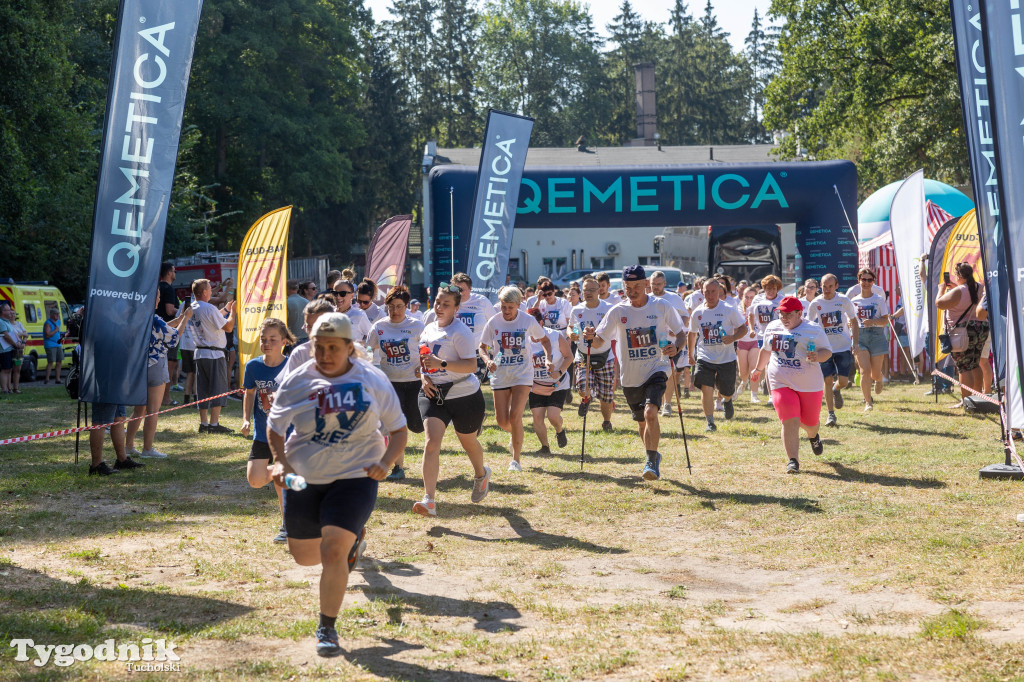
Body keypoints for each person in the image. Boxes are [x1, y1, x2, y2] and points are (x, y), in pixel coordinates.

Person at [266, 313, 408, 657]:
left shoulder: (372, 379)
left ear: (349, 347)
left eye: (334, 347)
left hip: (355, 477)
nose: (326, 354)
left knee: (332, 552)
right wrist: (281, 463)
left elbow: (399, 430)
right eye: (319, 347)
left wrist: (385, 464)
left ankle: (326, 628)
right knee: (304, 557)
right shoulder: (298, 380)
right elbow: (275, 427)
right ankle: (353, 540)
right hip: (304, 477)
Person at [584, 265, 685, 480]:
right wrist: (591, 336)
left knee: (651, 413)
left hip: (657, 367)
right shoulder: (618, 311)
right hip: (630, 377)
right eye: (628, 287)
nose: (632, 291)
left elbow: (681, 333)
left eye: (636, 286)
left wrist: (677, 348)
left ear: (646, 284)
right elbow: (601, 339)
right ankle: (653, 455)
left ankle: (650, 460)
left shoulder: (662, 306)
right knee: (641, 422)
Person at [415, 285, 492, 516]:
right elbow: (423, 358)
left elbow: (470, 366)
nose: (439, 307)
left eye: (446, 304)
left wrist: (442, 364)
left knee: (468, 442)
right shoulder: (428, 328)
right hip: (433, 393)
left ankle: (481, 474)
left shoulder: (461, 332)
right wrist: (423, 377)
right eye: (438, 302)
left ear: (457, 308)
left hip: (464, 394)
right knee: (431, 443)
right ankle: (429, 500)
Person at [749, 296, 832, 474]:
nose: (784, 318)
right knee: (790, 420)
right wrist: (758, 369)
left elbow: (827, 351)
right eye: (781, 314)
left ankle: (813, 436)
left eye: (788, 315)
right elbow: (766, 350)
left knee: (810, 423)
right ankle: (793, 461)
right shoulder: (773, 327)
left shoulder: (813, 329)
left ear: (799, 313)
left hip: (809, 384)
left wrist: (817, 357)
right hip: (780, 381)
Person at [479, 287, 551, 469]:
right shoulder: (494, 322)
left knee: (515, 415)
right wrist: (488, 361)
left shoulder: (527, 320)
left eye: (510, 307)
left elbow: (545, 340)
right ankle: (516, 434)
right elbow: (482, 346)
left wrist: (548, 358)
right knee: (503, 421)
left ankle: (516, 459)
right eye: (503, 307)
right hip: (500, 374)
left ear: (519, 305)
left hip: (522, 374)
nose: (506, 311)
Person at [242, 317, 296, 543]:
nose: (267, 343)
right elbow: (250, 392)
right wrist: (246, 419)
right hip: (263, 433)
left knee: (283, 482)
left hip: (289, 434)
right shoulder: (254, 366)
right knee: (255, 479)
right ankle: (281, 471)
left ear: (283, 341)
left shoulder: (292, 364)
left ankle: (288, 526)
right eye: (263, 339)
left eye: (273, 339)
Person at [367, 285, 425, 480]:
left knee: (417, 425)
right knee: (395, 426)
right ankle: (398, 468)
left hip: (414, 381)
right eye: (391, 307)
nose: (395, 311)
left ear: (407, 306)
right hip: (391, 383)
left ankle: (450, 418)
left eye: (399, 306)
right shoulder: (380, 326)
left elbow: (428, 350)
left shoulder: (416, 325)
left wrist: (423, 367)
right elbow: (368, 350)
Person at [126, 301, 193, 459]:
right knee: (153, 411)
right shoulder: (154, 319)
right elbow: (174, 338)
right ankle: (147, 449)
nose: (158, 300)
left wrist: (179, 318)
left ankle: (128, 446)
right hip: (155, 365)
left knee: (139, 410)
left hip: (139, 367)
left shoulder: (137, 317)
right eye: (157, 297)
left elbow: (161, 328)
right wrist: (186, 319)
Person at [687, 278, 749, 432]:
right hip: (704, 356)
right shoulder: (698, 312)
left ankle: (727, 400)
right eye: (706, 292)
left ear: (719, 292)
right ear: (702, 292)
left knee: (726, 390)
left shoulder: (729, 309)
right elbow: (692, 334)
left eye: (713, 291)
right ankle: (710, 422)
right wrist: (690, 354)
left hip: (726, 357)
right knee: (706, 388)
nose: (710, 295)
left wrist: (733, 338)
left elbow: (743, 328)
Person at [806, 274, 859, 426]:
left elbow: (854, 321)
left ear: (836, 286)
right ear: (820, 287)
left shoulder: (843, 300)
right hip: (824, 347)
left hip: (842, 346)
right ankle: (830, 414)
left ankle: (837, 389)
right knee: (827, 379)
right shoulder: (815, 303)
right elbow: (809, 327)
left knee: (843, 381)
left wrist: (855, 343)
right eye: (824, 286)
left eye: (830, 286)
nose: (827, 289)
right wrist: (811, 349)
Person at [936, 262, 990, 408]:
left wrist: (941, 290)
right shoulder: (978, 287)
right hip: (980, 328)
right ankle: (977, 397)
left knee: (963, 367)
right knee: (975, 363)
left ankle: (967, 402)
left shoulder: (959, 290)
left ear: (959, 275)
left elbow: (939, 304)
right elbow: (967, 296)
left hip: (962, 332)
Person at [569, 277, 616, 432]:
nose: (588, 293)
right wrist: (573, 335)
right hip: (583, 355)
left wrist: (595, 338)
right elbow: (572, 327)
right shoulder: (577, 309)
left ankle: (606, 422)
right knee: (582, 388)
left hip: (605, 356)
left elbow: (608, 335)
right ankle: (587, 397)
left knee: (606, 395)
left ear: (599, 291)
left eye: (591, 290)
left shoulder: (608, 308)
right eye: (585, 290)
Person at [189, 279, 235, 433]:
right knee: (218, 388)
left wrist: (226, 310)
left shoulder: (192, 307)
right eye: (210, 288)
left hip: (200, 353)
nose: (212, 290)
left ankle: (204, 423)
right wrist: (233, 313)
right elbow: (228, 327)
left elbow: (211, 319)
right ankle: (214, 425)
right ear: (204, 292)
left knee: (202, 389)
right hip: (214, 354)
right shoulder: (209, 308)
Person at [527, 307, 572, 456]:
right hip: (536, 385)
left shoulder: (554, 336)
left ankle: (559, 430)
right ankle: (545, 447)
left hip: (557, 383)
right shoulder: (523, 338)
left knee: (553, 416)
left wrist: (558, 371)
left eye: (533, 324)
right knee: (537, 418)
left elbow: (569, 357)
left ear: (540, 323)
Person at [650, 270, 690, 414]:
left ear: (664, 284)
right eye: (653, 284)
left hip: (671, 341)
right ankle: (655, 402)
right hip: (653, 342)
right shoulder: (647, 299)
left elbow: (685, 316)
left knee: (669, 372)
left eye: (658, 284)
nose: (655, 287)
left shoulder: (674, 298)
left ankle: (667, 403)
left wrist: (679, 329)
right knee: (655, 372)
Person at [850, 267, 890, 411]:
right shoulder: (853, 301)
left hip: (876, 336)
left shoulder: (878, 299)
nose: (866, 283)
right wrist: (851, 328)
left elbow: (885, 320)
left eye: (869, 280)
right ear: (859, 280)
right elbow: (851, 321)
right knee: (864, 371)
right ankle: (868, 402)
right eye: (863, 279)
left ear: (873, 282)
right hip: (860, 335)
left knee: (874, 373)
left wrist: (872, 321)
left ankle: (879, 380)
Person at [747, 275, 785, 403]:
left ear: (777, 289)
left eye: (774, 288)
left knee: (773, 365)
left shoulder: (782, 299)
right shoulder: (757, 299)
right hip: (762, 336)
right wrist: (752, 329)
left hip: (778, 335)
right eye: (768, 288)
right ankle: (770, 394)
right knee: (767, 364)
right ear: (764, 288)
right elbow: (751, 315)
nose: (771, 291)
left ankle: (772, 393)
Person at [283, 299, 337, 377]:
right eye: (309, 326)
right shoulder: (300, 353)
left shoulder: (350, 351)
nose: (314, 332)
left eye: (319, 326)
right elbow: (288, 386)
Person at [158, 263, 181, 404]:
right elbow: (169, 310)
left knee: (159, 365)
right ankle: (166, 398)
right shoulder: (169, 289)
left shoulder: (157, 287)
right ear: (168, 273)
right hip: (168, 331)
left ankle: (158, 397)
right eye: (174, 270)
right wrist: (182, 311)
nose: (175, 273)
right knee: (169, 365)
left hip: (156, 330)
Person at [737, 287, 760, 401]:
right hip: (742, 342)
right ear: (742, 297)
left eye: (752, 297)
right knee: (743, 372)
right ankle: (744, 381)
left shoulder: (758, 309)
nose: (749, 300)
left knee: (753, 368)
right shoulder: (737, 309)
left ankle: (754, 395)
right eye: (746, 297)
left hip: (755, 342)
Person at [331, 279, 371, 343]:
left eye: (342, 293)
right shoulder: (328, 313)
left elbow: (373, 338)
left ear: (352, 296)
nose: (338, 297)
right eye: (335, 293)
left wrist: (358, 344)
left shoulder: (359, 315)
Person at [0, 302, 20, 395]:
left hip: (9, 349)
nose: (10, 311)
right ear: (3, 311)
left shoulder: (7, 321)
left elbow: (13, 333)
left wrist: (18, 341)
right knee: (5, 369)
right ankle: (4, 389)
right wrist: (15, 344)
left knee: (8, 369)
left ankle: (8, 388)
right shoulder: (1, 322)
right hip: (4, 350)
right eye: (8, 310)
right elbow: (6, 336)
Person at [9, 309, 27, 393]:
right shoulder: (7, 324)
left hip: (19, 350)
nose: (13, 315)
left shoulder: (19, 324)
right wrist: (21, 334)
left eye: (14, 314)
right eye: (11, 314)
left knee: (18, 368)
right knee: (8, 369)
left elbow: (26, 334)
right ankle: (8, 388)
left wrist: (23, 342)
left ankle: (16, 388)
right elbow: (11, 335)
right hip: (10, 349)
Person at [287, 279, 309, 344]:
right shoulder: (307, 302)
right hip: (306, 337)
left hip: (292, 339)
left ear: (286, 288)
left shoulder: (286, 303)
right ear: (297, 288)